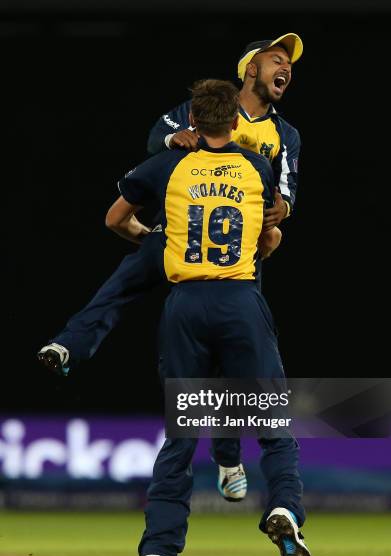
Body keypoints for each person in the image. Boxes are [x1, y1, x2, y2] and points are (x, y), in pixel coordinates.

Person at [38, 33, 304, 500]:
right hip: (179, 235)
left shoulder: (285, 135)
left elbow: (286, 194)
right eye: (276, 60)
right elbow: (156, 137)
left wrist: (280, 212)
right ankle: (69, 346)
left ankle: (226, 457)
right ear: (250, 68)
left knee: (229, 361)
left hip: (233, 258)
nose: (286, 69)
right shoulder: (211, 106)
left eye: (288, 64)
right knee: (125, 281)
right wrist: (170, 138)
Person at [110, 78, 313, 556]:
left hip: (184, 304)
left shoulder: (169, 165)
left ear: (193, 122)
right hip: (239, 300)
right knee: (272, 422)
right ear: (234, 122)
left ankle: (161, 548)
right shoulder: (257, 166)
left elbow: (116, 218)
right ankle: (285, 509)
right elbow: (267, 239)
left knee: (180, 434)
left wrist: (158, 239)